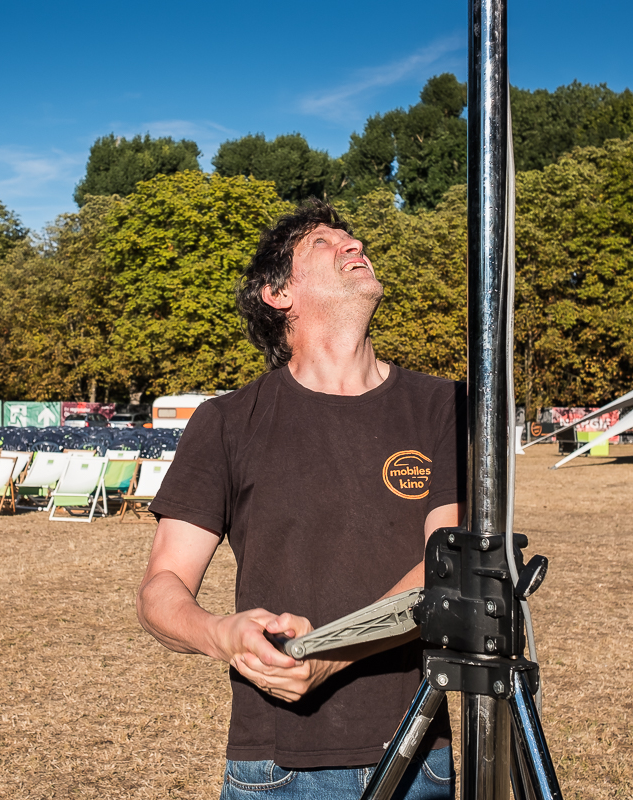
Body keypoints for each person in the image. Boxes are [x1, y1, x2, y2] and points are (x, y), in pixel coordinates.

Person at [136, 199, 467, 799]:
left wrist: (326, 657)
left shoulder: (443, 407)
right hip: (277, 769)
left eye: (354, 238)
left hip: (419, 754)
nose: (353, 245)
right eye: (324, 242)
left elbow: (449, 567)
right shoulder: (227, 421)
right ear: (277, 294)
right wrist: (222, 634)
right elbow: (161, 589)